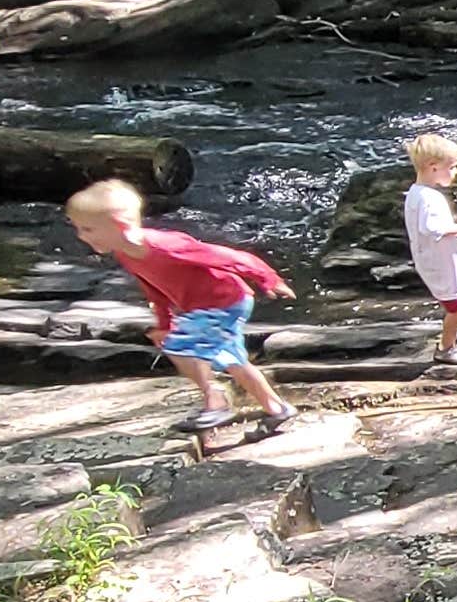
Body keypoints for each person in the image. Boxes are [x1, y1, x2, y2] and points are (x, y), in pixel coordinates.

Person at [63, 178, 300, 434]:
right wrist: (165, 324)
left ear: (120, 226)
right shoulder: (125, 253)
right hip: (202, 306)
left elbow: (230, 257)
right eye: (78, 228)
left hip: (224, 301)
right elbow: (153, 289)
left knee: (181, 347)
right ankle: (277, 409)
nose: (80, 236)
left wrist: (268, 278)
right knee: (234, 361)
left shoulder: (166, 246)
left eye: (87, 229)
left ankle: (216, 401)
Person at [401, 133, 457, 365]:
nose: (455, 172)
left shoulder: (417, 192)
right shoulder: (429, 198)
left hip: (446, 255)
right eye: (451, 167)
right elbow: (431, 227)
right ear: (433, 167)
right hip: (437, 260)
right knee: (455, 303)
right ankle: (446, 348)